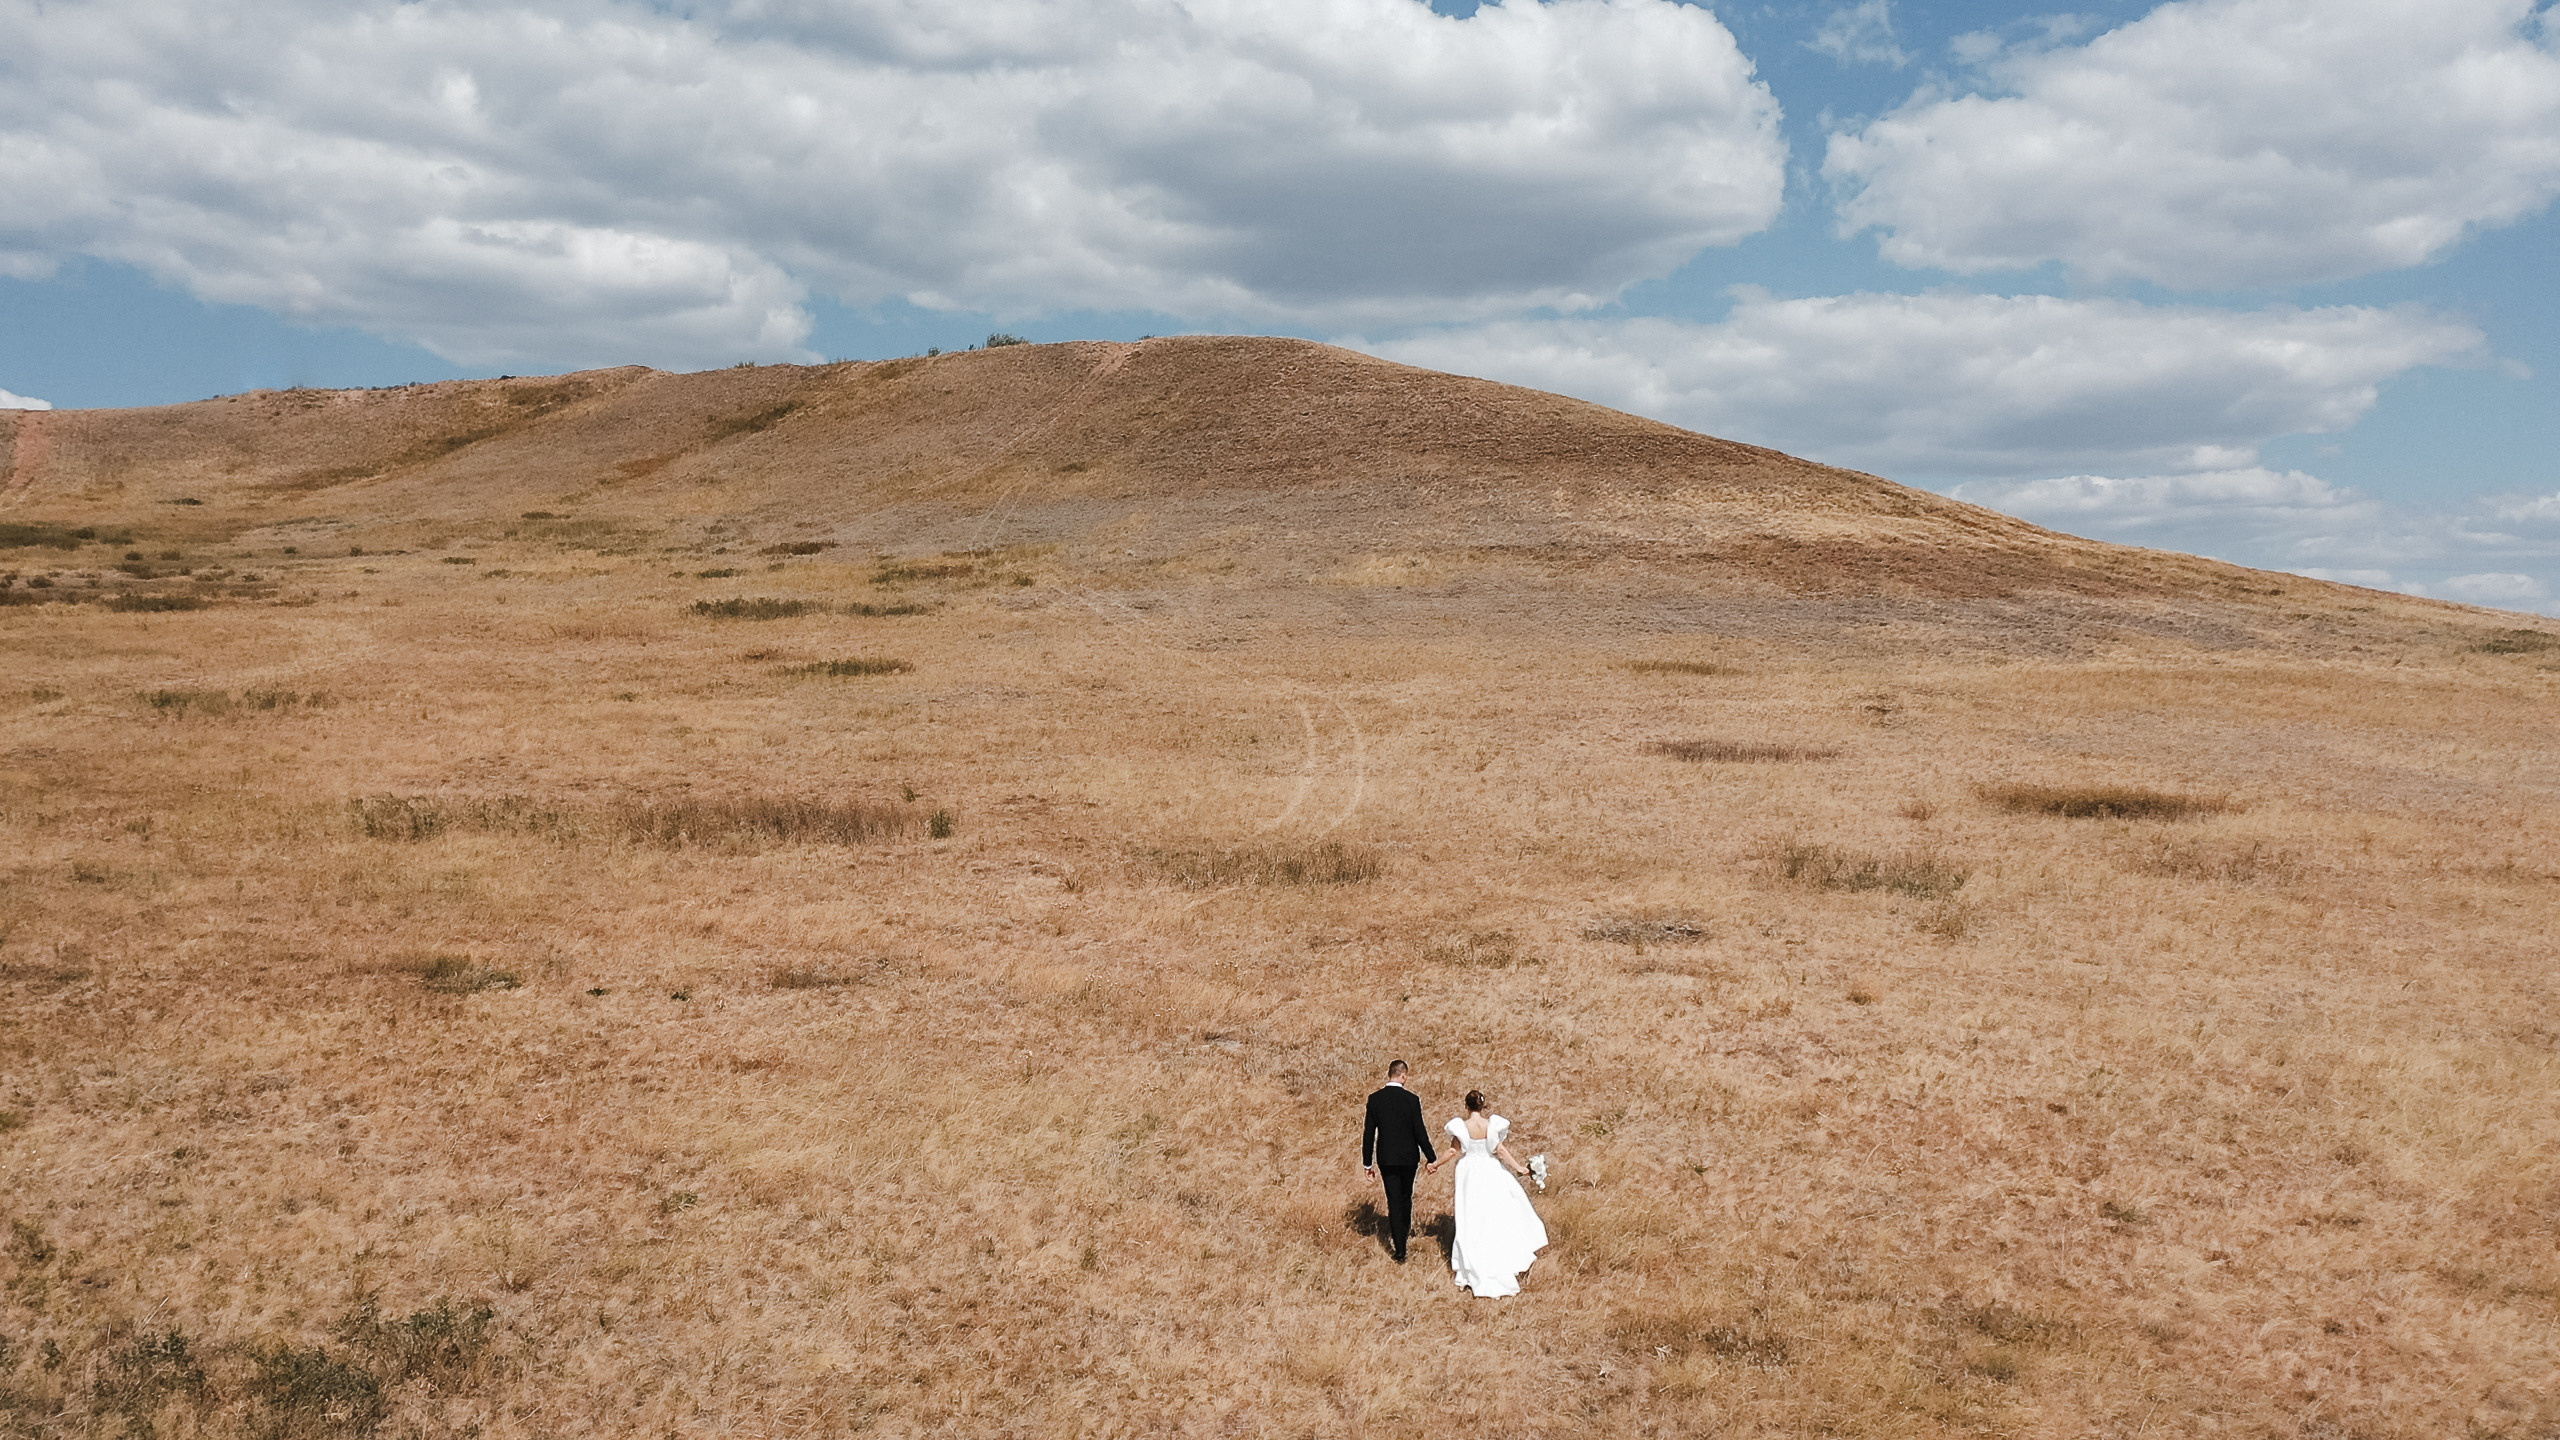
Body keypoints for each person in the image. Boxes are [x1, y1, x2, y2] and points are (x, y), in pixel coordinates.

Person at [1440, 1088, 1547, 1297]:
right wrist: (1519, 1168)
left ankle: (1473, 1259)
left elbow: (1453, 1151)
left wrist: (1435, 1164)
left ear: (1466, 1106)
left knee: (1472, 1215)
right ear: (1483, 1106)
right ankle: (1499, 1253)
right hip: (1489, 1170)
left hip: (1469, 1172)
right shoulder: (1491, 1125)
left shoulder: (1462, 1127)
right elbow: (1500, 1150)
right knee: (1493, 1212)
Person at [1361, 1059, 1437, 1263]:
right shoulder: (1411, 1100)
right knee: (1406, 1197)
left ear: (1390, 1074)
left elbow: (1369, 1134)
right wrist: (1431, 1157)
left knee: (1393, 1200)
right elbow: (1420, 1132)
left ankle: (1400, 1249)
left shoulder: (1375, 1099)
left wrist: (1367, 1163)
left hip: (1386, 1158)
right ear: (1403, 1076)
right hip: (1409, 1157)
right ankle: (1403, 1235)